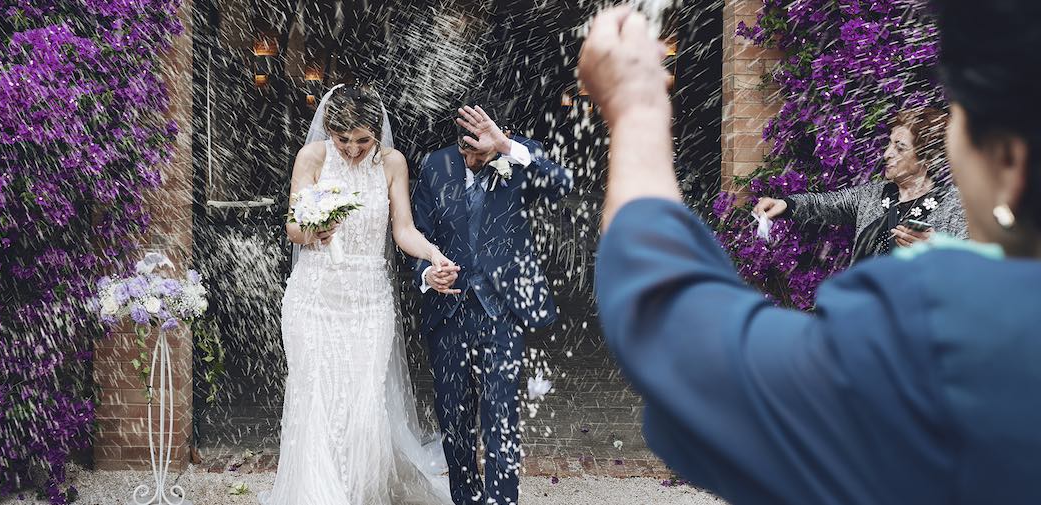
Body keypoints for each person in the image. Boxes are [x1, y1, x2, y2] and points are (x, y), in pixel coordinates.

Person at [583, 2, 1041, 504]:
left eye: (959, 117)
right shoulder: (876, 199)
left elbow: (677, 342)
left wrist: (637, 110)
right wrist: (791, 204)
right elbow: (831, 204)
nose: (888, 154)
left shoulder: (936, 331)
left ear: (1008, 159)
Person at [262, 83, 453, 505]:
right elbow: (293, 226)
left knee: (364, 401)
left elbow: (403, 229)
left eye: (363, 140)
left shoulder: (392, 163)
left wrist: (433, 254)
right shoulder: (311, 157)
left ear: (378, 131)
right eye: (342, 139)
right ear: (328, 131)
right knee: (315, 397)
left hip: (369, 301)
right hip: (314, 298)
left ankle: (359, 492)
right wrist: (313, 231)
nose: (351, 149)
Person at [411, 100, 573, 505]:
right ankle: (465, 498)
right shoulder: (434, 166)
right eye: (465, 151)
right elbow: (416, 235)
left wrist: (503, 146)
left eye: (480, 152)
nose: (472, 161)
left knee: (502, 413)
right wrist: (427, 275)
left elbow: (563, 183)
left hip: (504, 311)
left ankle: (503, 500)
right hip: (448, 312)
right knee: (454, 416)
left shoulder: (517, 155)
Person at [754, 108, 968, 264]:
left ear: (927, 159)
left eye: (900, 147)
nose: (887, 154)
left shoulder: (955, 206)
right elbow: (824, 204)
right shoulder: (872, 195)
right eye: (889, 144)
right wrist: (786, 204)